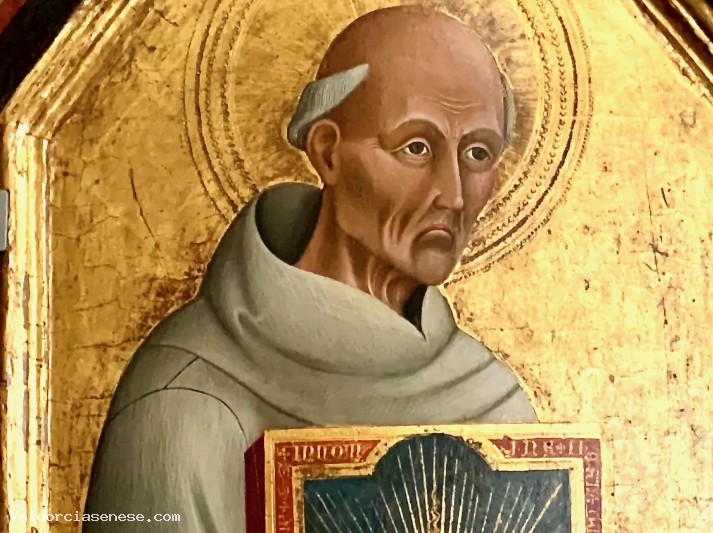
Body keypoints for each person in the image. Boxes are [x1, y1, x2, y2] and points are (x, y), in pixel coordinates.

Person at [83, 6, 537, 531]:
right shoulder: (185, 402)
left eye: (478, 153)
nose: (454, 195)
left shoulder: (494, 401)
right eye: (416, 147)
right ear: (328, 153)